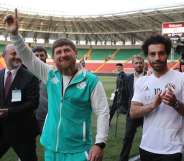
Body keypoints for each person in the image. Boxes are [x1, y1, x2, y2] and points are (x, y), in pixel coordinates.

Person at [4, 11, 109, 161]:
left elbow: (103, 112)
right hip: (51, 147)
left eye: (67, 50)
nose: (63, 54)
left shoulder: (91, 81)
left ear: (75, 53)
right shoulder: (50, 75)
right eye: (58, 52)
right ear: (54, 57)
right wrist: (15, 35)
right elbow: (29, 58)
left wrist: (99, 143)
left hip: (77, 149)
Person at [130, 35, 184, 161]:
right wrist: (152, 105)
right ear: (147, 57)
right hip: (146, 147)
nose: (157, 58)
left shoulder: (181, 79)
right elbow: (133, 112)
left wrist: (175, 103)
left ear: (167, 54)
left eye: (161, 53)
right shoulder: (142, 82)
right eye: (152, 54)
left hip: (173, 149)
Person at [0, 44, 39, 161]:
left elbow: (33, 103)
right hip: (1, 129)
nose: (17, 56)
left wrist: (9, 112)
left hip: (23, 131)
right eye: (13, 53)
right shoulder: (0, 74)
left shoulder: (30, 77)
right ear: (4, 56)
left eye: (19, 54)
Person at [118, 55, 145, 161]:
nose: (138, 65)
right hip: (132, 112)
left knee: (148, 137)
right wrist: (126, 109)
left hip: (146, 113)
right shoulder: (128, 78)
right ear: (133, 64)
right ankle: (123, 158)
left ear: (144, 63)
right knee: (127, 137)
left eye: (140, 62)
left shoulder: (150, 76)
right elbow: (125, 94)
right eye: (136, 63)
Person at [32, 46, 48, 134]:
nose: (39, 58)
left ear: (46, 57)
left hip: (47, 117)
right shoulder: (25, 73)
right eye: (36, 55)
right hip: (28, 116)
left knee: (48, 142)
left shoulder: (52, 73)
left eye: (42, 55)